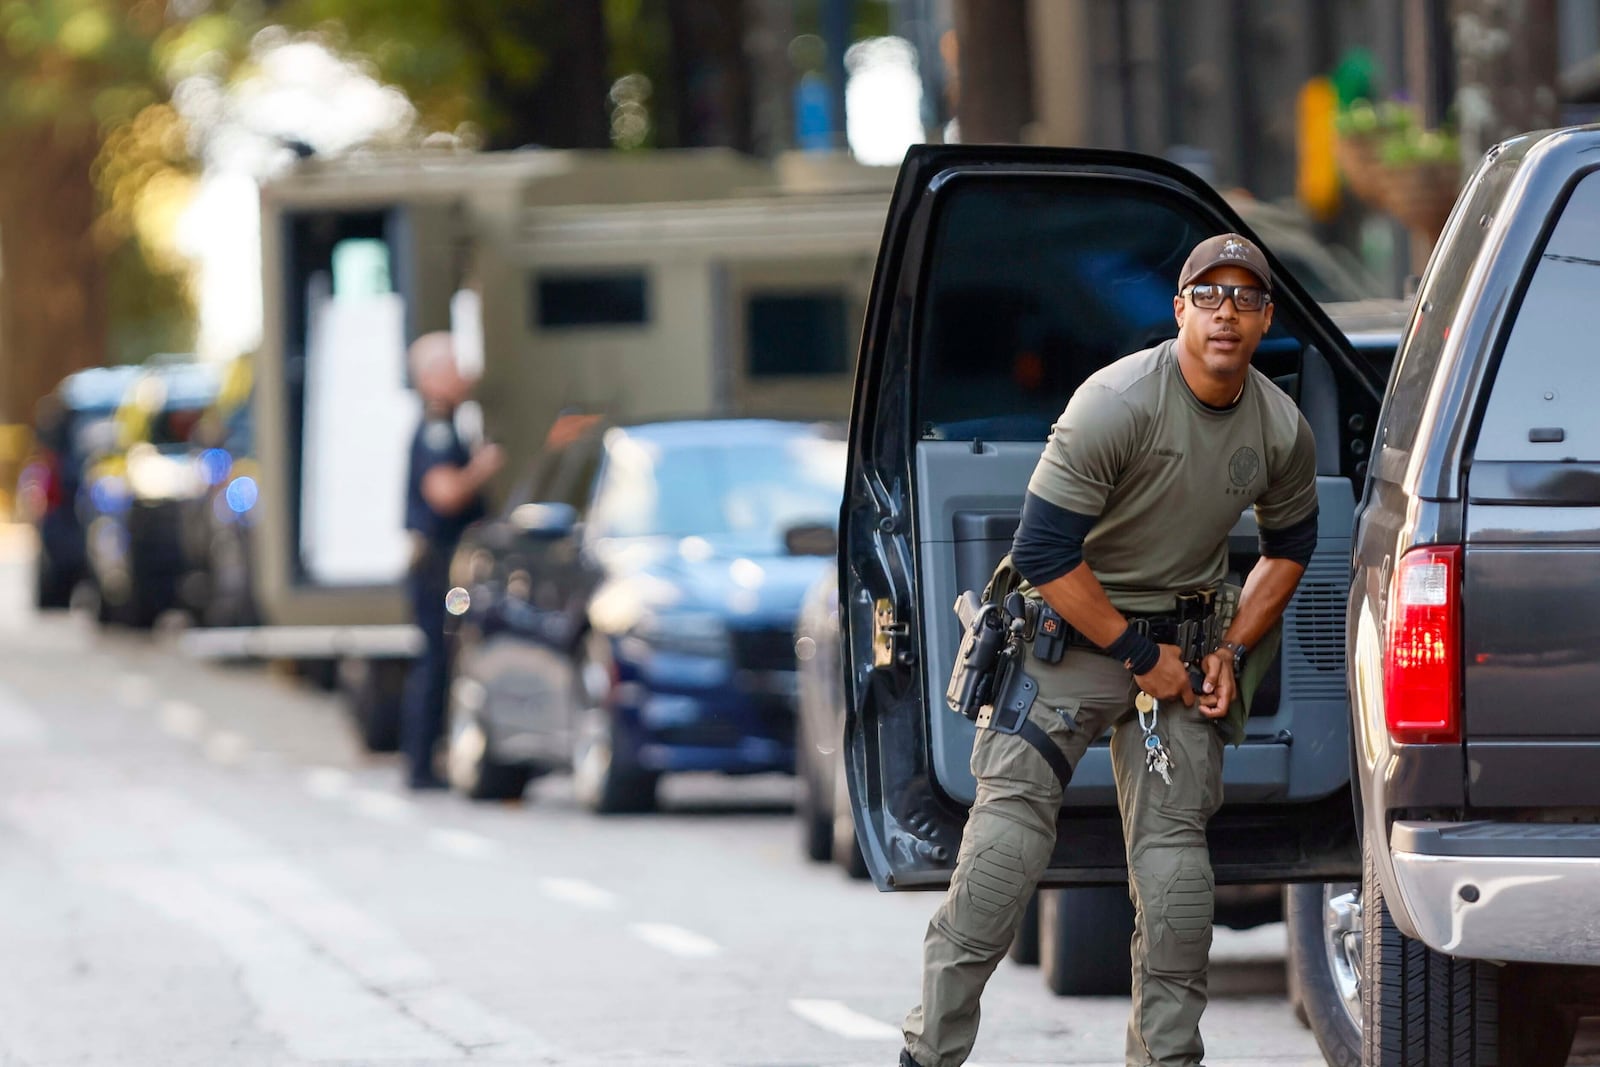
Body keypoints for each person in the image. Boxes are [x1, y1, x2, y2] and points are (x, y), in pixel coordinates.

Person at [901, 234, 1319, 1067]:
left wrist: (1228, 650)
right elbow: (1046, 551)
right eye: (1208, 295)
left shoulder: (1279, 425)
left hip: (1180, 655)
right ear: (1179, 309)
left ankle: (1165, 1062)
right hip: (1067, 644)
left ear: (1266, 317)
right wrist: (1137, 655)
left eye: (1244, 298)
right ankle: (929, 1055)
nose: (1225, 313)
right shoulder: (1120, 401)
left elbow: (1291, 544)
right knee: (999, 864)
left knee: (1177, 887)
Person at [400, 332, 503, 790]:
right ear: (432, 377)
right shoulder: (438, 428)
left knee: (440, 659)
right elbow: (443, 493)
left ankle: (427, 761)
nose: (465, 375)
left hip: (440, 566)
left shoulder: (444, 423)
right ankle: (421, 765)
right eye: (455, 366)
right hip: (440, 570)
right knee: (437, 660)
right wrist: (482, 466)